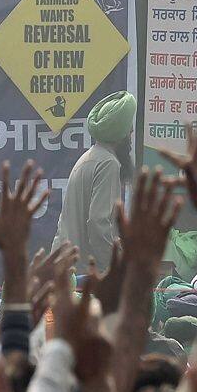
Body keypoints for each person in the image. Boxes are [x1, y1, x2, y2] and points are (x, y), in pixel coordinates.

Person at [52, 90, 136, 263]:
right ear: (120, 134)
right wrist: (114, 267)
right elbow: (98, 225)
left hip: (63, 264)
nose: (132, 132)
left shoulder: (90, 157)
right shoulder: (108, 164)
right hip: (78, 272)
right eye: (129, 129)